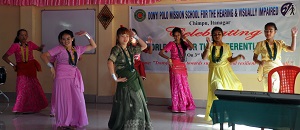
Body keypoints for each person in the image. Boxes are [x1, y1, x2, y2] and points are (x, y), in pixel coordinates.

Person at [40, 29, 96, 129]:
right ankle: (62, 123)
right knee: (63, 101)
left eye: (68, 39)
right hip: (61, 77)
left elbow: (93, 46)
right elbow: (44, 55)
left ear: (72, 39)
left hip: (74, 77)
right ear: (61, 40)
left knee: (77, 100)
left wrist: (86, 35)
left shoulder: (78, 49)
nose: (66, 41)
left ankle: (74, 122)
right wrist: (51, 67)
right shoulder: (59, 48)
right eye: (63, 39)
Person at [107, 27, 153, 130]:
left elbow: (144, 46)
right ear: (117, 37)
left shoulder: (130, 49)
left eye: (127, 36)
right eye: (122, 36)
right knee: (127, 103)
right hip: (125, 80)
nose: (125, 38)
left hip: (134, 78)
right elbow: (110, 62)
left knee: (138, 102)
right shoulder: (116, 49)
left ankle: (137, 126)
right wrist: (115, 78)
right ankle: (126, 125)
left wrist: (135, 36)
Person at [201, 26, 244, 121]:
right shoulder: (210, 46)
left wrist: (238, 57)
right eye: (215, 34)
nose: (217, 36)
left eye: (219, 34)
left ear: (222, 35)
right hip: (214, 73)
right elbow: (204, 57)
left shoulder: (226, 47)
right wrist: (208, 45)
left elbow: (229, 60)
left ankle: (226, 115)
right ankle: (218, 114)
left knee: (228, 91)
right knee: (217, 89)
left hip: (225, 73)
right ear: (212, 36)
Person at [2, 29, 48, 113]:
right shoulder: (15, 46)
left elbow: (39, 49)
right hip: (21, 68)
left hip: (31, 68)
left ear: (27, 36)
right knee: (22, 87)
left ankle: (34, 107)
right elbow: (4, 57)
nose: (24, 37)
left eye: (25, 35)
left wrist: (42, 47)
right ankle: (20, 108)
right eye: (21, 35)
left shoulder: (30, 44)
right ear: (18, 36)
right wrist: (13, 65)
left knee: (33, 87)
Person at [158, 27, 196, 113]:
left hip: (182, 66)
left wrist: (185, 39)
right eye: (175, 36)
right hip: (174, 65)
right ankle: (178, 106)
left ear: (181, 35)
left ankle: (184, 104)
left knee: (184, 85)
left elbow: (192, 47)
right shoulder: (171, 43)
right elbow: (161, 52)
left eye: (178, 35)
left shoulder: (183, 43)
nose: (177, 37)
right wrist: (168, 58)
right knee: (177, 85)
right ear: (173, 36)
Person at [253, 22, 298, 93]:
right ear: (264, 32)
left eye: (271, 31)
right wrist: (259, 62)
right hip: (267, 70)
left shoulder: (280, 43)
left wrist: (294, 36)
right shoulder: (260, 44)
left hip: (278, 70)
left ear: (275, 32)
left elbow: (292, 49)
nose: (268, 33)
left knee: (279, 92)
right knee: (269, 91)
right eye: (266, 31)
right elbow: (254, 58)